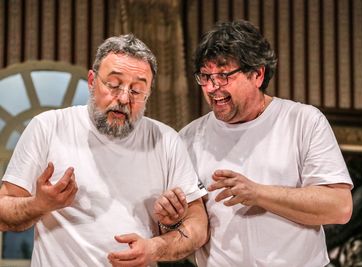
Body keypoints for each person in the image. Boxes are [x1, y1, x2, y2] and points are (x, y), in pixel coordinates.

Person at [0, 34, 208, 266]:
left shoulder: (165, 140)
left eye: (137, 90)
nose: (122, 98)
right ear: (91, 80)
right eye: (114, 85)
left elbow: (198, 225)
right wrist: (39, 205)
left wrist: (156, 246)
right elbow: (3, 211)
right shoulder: (49, 127)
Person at [160, 20, 353, 266]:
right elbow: (188, 229)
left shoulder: (303, 121)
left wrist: (258, 193)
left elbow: (340, 207)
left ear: (258, 74)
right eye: (205, 76)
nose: (212, 87)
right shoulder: (188, 138)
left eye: (223, 75)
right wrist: (171, 220)